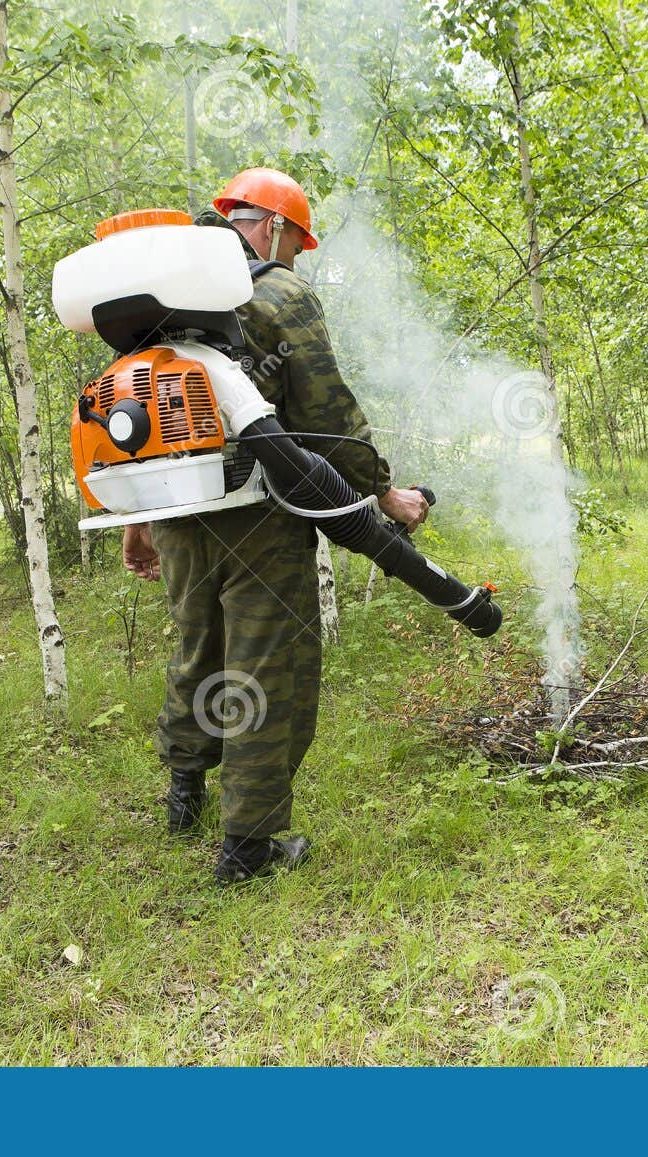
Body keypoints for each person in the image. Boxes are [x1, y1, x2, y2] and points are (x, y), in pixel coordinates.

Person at [122, 167, 430, 883]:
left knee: (198, 645)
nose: (296, 257)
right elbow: (325, 412)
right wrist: (385, 494)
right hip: (258, 514)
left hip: (174, 512)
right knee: (265, 667)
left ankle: (183, 796)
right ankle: (249, 849)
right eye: (296, 241)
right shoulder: (279, 290)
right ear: (275, 227)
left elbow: (135, 422)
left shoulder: (161, 295)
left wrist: (135, 522)